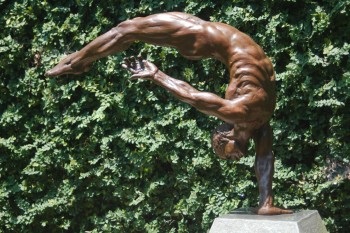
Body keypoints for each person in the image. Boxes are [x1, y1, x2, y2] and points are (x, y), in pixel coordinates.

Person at [46, 12, 292, 215]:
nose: (235, 157)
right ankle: (79, 61)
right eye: (230, 156)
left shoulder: (246, 116)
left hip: (208, 38)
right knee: (128, 29)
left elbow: (194, 97)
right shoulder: (248, 116)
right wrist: (265, 204)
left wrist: (156, 75)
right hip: (210, 38)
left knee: (129, 29)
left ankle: (78, 61)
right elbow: (263, 157)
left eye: (229, 154)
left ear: (228, 133)